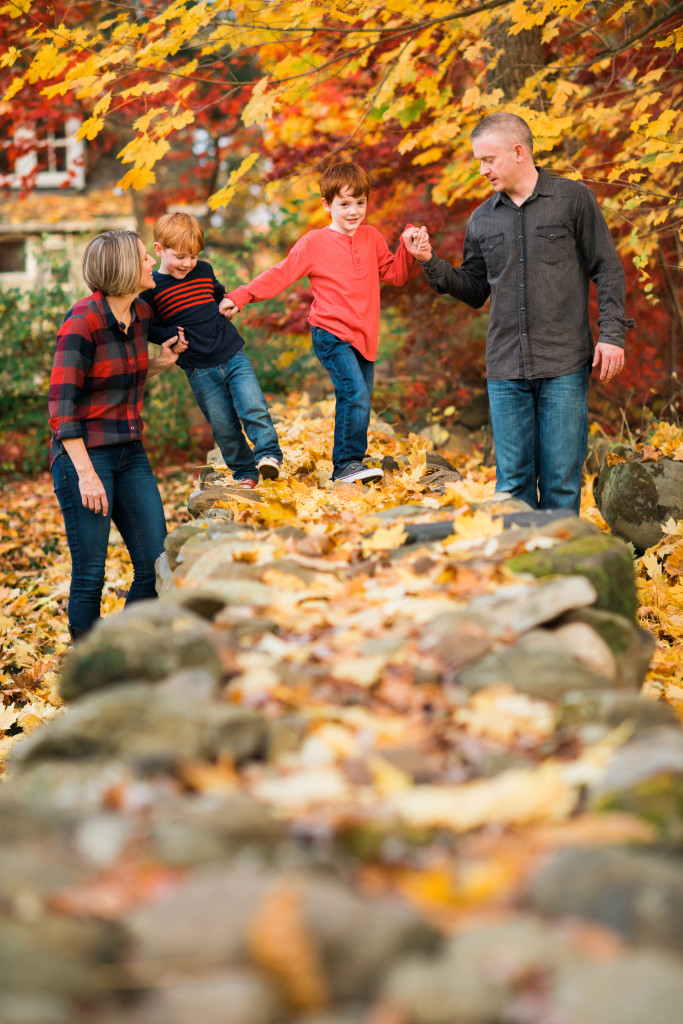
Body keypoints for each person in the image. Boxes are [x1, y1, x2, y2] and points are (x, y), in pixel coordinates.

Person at [403, 112, 635, 514]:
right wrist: (429, 261)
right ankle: (521, 571)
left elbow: (608, 269)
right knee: (512, 487)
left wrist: (612, 334)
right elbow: (475, 290)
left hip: (564, 362)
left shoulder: (573, 199)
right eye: (479, 161)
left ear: (518, 151)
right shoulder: (481, 219)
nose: (482, 170)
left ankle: (560, 570)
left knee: (562, 482)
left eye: (488, 159)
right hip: (505, 367)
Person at [221, 162, 418, 484]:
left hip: (364, 335)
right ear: (327, 205)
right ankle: (346, 465)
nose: (354, 211)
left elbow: (395, 275)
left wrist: (408, 247)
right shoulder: (314, 242)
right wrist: (241, 295)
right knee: (353, 392)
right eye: (344, 204)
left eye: (360, 203)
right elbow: (281, 273)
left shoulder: (372, 237)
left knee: (361, 398)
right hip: (330, 331)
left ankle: (352, 460)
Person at [49, 230, 188, 642]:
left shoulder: (141, 313)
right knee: (91, 574)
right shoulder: (82, 323)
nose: (152, 263)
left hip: (130, 452)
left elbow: (119, 381)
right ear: (125, 268)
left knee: (154, 560)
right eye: (146, 258)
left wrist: (161, 362)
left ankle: (126, 648)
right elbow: (61, 408)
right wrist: (87, 475)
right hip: (84, 457)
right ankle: (90, 667)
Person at [139, 212, 283, 488]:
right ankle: (245, 473)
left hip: (232, 353)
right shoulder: (152, 290)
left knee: (253, 405)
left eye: (193, 256)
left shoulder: (203, 270)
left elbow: (218, 294)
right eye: (180, 256)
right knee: (223, 425)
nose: (188, 263)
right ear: (159, 249)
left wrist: (227, 303)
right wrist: (169, 335)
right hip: (199, 368)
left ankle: (268, 456)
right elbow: (151, 329)